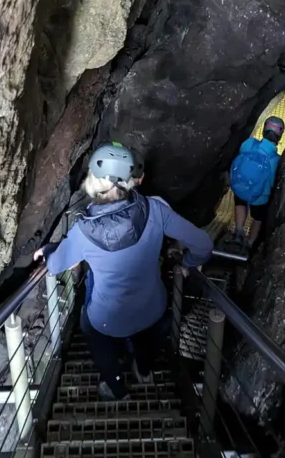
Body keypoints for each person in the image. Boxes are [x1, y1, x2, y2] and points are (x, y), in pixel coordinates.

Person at [34, 142, 213, 400]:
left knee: (88, 324)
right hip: (153, 309)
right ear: (130, 180)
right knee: (146, 335)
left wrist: (51, 249)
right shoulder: (156, 210)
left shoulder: (83, 232)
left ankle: (117, 389)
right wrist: (186, 264)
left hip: (108, 320)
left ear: (94, 181)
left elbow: (54, 265)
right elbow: (203, 244)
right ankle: (142, 369)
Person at [229, 116, 284, 248]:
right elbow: (271, 184)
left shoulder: (248, 143)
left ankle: (238, 232)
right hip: (260, 197)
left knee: (240, 202)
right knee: (258, 218)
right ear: (280, 136)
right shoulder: (276, 159)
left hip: (240, 188)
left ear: (264, 130)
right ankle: (250, 242)